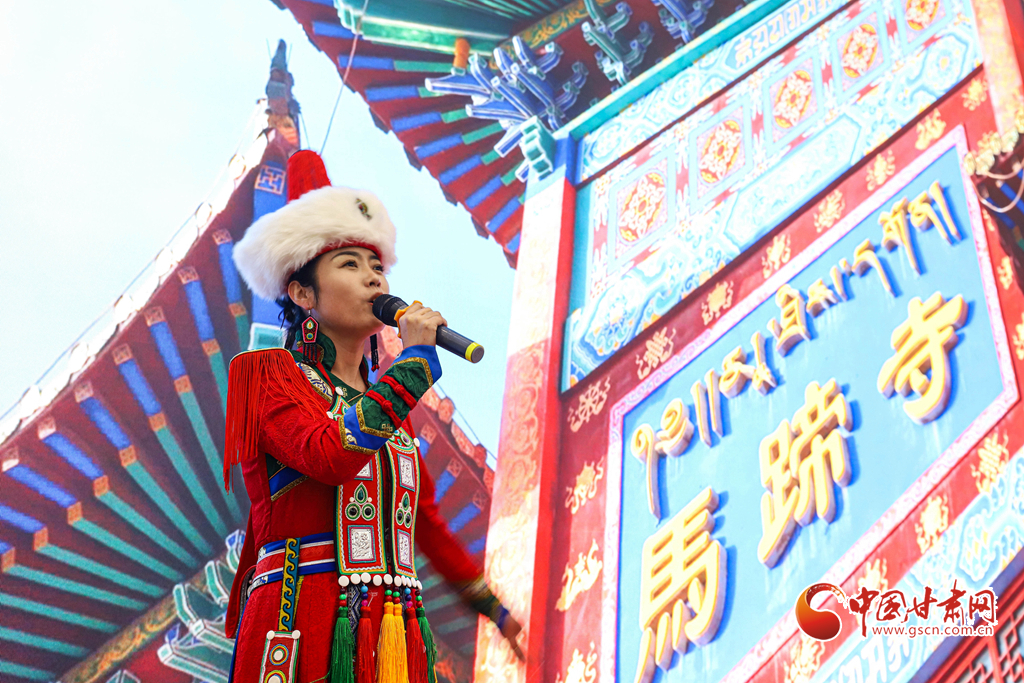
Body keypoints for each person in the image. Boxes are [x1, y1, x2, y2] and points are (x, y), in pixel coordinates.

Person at [223, 150, 521, 683]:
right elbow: (328, 454)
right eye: (350, 265)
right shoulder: (265, 376)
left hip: (394, 634)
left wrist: (493, 609)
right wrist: (412, 368)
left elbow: (426, 523)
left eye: (377, 267)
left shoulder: (390, 420)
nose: (374, 280)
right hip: (302, 623)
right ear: (302, 292)